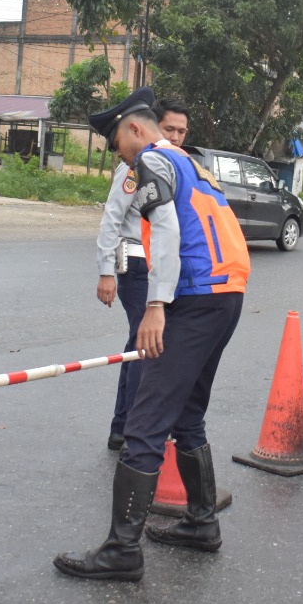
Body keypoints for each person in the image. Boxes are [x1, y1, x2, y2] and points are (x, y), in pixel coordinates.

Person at [56, 87, 247, 582]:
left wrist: (156, 305)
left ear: (135, 129)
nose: (117, 155)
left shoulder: (152, 160)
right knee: (187, 414)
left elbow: (164, 230)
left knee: (144, 423)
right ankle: (201, 523)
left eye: (117, 143)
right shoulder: (189, 162)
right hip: (226, 294)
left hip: (194, 298)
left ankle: (122, 550)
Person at [95, 97, 191, 450]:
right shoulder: (138, 163)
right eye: (169, 130)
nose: (175, 137)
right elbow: (112, 218)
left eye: (182, 132)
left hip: (156, 266)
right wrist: (106, 271)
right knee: (147, 346)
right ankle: (134, 429)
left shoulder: (172, 161)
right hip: (137, 265)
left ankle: (123, 427)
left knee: (138, 346)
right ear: (150, 127)